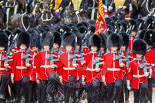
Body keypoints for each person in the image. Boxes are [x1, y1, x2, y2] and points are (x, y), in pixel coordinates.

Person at [59, 31, 81, 103]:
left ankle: (70, 98)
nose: (68, 47)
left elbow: (80, 66)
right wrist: (60, 76)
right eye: (67, 46)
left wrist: (76, 65)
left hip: (73, 73)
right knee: (66, 89)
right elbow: (60, 67)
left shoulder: (76, 54)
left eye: (70, 46)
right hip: (64, 74)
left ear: (72, 46)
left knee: (71, 84)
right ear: (65, 46)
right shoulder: (62, 55)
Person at [35, 31, 57, 103]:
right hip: (41, 74)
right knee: (42, 90)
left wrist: (54, 66)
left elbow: (58, 65)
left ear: (50, 46)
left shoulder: (53, 54)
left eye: (47, 45)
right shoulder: (39, 54)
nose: (46, 46)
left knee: (50, 90)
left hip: (50, 73)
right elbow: (37, 66)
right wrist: (37, 77)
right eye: (45, 45)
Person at [104, 33, 124, 103]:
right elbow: (104, 68)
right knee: (109, 92)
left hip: (118, 74)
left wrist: (122, 66)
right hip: (109, 75)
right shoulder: (106, 55)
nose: (114, 48)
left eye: (115, 47)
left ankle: (116, 97)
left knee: (118, 86)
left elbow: (125, 68)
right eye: (112, 47)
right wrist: (104, 79)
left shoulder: (121, 55)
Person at [11, 32, 30, 103]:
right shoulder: (15, 54)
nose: (23, 46)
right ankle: (20, 99)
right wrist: (12, 77)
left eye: (24, 45)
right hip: (17, 73)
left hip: (25, 73)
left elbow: (31, 63)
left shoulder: (28, 54)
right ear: (19, 45)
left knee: (25, 82)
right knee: (18, 89)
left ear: (26, 46)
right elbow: (13, 66)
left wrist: (29, 65)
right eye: (21, 45)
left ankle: (22, 96)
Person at [83, 34, 102, 103]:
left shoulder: (100, 56)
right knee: (89, 94)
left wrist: (99, 69)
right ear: (90, 47)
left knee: (95, 90)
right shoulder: (87, 56)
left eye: (95, 47)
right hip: (88, 77)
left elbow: (103, 67)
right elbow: (84, 68)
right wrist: (83, 78)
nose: (93, 48)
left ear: (97, 48)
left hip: (97, 76)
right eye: (92, 47)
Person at [27, 30, 41, 103]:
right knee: (30, 90)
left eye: (36, 47)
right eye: (33, 47)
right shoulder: (28, 53)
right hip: (30, 75)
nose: (34, 48)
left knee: (38, 89)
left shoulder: (40, 53)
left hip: (38, 75)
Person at [143, 30, 155, 103]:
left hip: (147, 71)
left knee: (145, 87)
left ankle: (147, 101)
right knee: (149, 88)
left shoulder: (148, 51)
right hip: (152, 71)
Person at [0, 31, 9, 100]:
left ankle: (1, 93)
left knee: (5, 77)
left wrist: (8, 66)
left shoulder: (7, 54)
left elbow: (11, 64)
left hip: (4, 72)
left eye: (2, 46)